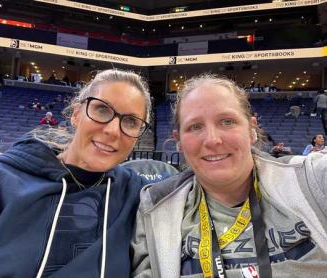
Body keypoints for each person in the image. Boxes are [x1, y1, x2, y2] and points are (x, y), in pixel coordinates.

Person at [0, 69, 154, 277]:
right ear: (76, 115)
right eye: (102, 110)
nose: (113, 130)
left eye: (131, 122)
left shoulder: (136, 194)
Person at [131, 74, 327, 278]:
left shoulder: (311, 178)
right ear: (178, 141)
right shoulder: (154, 208)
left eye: (227, 122)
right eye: (195, 127)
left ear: (251, 129)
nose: (212, 140)